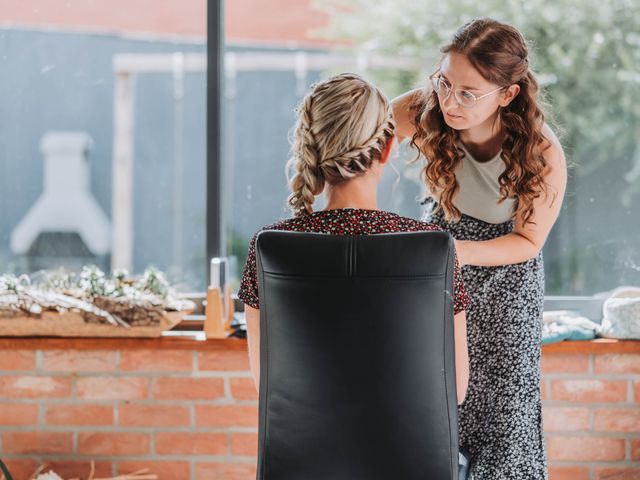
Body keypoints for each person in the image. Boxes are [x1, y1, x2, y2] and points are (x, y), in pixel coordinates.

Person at [391, 18, 567, 479]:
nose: (450, 101)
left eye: (468, 93)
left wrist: (450, 251)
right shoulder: (426, 108)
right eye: (445, 83)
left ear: (507, 94)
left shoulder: (541, 151)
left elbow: (528, 241)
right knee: (436, 404)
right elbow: (363, 138)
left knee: (504, 417)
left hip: (507, 280)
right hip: (440, 268)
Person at [238, 72, 470, 404]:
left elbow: (269, 388)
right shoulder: (434, 248)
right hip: (409, 456)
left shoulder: (269, 247)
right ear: (389, 147)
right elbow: (456, 390)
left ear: (313, 150)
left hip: (302, 455)